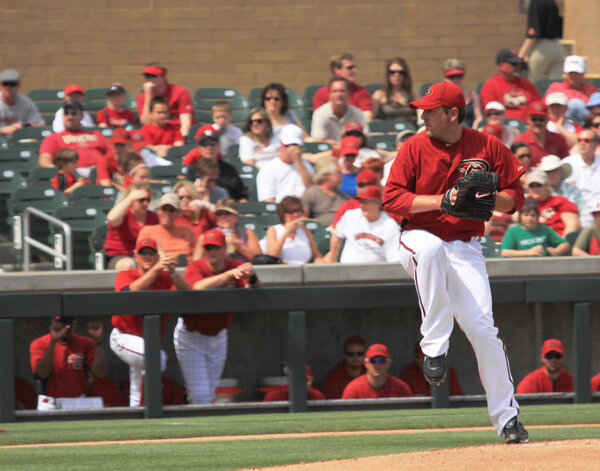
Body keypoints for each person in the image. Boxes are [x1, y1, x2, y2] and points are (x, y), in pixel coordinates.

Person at [383, 81, 529, 443]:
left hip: (466, 245)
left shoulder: (487, 145)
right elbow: (392, 199)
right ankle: (434, 347)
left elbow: (517, 195)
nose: (423, 115)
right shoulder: (414, 146)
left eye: (431, 110)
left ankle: (508, 420)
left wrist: (493, 198)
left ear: (452, 113)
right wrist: (439, 201)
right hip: (419, 235)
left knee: (482, 329)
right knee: (430, 252)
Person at [176, 228, 261, 404]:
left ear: (224, 249)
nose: (212, 252)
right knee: (200, 394)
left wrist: (252, 277)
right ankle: (199, 430)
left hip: (218, 336)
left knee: (209, 391)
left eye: (216, 247)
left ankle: (205, 429)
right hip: (192, 336)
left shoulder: (234, 265)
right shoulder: (196, 266)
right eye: (208, 248)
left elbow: (254, 288)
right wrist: (229, 275)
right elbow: (197, 287)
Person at [110, 238, 188, 406]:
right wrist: (157, 269)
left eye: (151, 253)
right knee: (156, 357)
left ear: (157, 256)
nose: (147, 256)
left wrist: (173, 272)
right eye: (143, 252)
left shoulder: (165, 277)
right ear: (135, 256)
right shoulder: (125, 275)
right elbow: (127, 292)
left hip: (147, 339)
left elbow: (186, 292)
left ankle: (138, 416)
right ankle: (150, 406)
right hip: (123, 336)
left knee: (137, 387)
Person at [29, 316, 105, 408]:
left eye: (69, 322)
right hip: (50, 401)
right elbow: (42, 374)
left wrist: (97, 341)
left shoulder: (85, 343)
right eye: (61, 322)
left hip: (78, 399)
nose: (66, 326)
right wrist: (53, 341)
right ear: (52, 322)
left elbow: (99, 374)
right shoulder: (39, 343)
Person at [325, 185, 400, 264]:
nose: (362, 205)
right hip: (347, 271)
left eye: (366, 202)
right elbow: (337, 235)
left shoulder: (389, 225)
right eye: (360, 202)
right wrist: (332, 259)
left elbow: (394, 259)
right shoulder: (350, 216)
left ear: (377, 203)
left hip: (375, 273)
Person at [39, 100, 110, 171]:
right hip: (74, 174)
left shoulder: (95, 134)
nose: (70, 117)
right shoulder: (53, 138)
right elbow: (44, 160)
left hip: (101, 171)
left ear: (81, 116)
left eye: (74, 113)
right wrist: (62, 173)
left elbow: (113, 153)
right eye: (66, 113)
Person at [183, 125, 248, 201]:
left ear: (218, 146)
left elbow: (242, 196)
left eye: (212, 143)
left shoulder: (229, 169)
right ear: (199, 148)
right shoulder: (193, 169)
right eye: (205, 144)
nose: (209, 147)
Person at [104, 183, 158, 271]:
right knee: (131, 265)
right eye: (141, 200)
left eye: (148, 200)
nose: (145, 203)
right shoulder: (123, 214)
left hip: (146, 256)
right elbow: (111, 218)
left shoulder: (153, 216)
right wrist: (130, 197)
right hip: (119, 257)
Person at [480, 48, 541, 122]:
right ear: (501, 66)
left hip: (529, 127)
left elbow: (539, 106)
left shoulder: (528, 85)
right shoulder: (490, 85)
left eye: (518, 63)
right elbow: (491, 113)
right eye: (513, 64)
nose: (518, 66)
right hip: (504, 128)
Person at [257, 124, 313, 202]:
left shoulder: (305, 165)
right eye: (288, 145)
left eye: (295, 145)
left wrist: (298, 162)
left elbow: (312, 189)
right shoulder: (268, 168)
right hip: (282, 211)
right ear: (281, 144)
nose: (291, 149)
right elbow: (267, 199)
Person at [136, 63, 194, 140]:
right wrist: (148, 95)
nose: (149, 79)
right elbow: (146, 123)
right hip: (155, 136)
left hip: (177, 134)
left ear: (164, 77)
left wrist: (183, 140)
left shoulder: (180, 92)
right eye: (147, 76)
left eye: (154, 76)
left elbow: (186, 123)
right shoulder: (143, 96)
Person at [137, 193, 196, 265]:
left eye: (171, 210)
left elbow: (196, 255)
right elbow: (139, 257)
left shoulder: (187, 230)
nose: (167, 213)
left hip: (187, 268)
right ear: (158, 210)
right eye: (164, 209)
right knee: (154, 245)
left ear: (178, 213)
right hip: (159, 269)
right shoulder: (147, 231)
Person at [312, 52, 373, 121]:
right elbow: (319, 119)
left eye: (354, 67)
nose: (355, 71)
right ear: (337, 70)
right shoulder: (321, 93)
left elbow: (366, 118)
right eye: (350, 68)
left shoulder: (362, 92)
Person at [500, 198, 570, 257]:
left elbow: (565, 244)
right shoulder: (513, 231)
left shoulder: (545, 229)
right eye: (526, 215)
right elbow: (505, 252)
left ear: (537, 217)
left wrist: (556, 251)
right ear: (520, 216)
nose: (529, 218)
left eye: (533, 215)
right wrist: (529, 252)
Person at [341, 344, 413, 399]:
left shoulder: (401, 387)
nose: (377, 365)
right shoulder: (353, 388)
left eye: (382, 361)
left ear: (389, 363)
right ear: (366, 363)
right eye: (373, 361)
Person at [265, 196, 323, 264]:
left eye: (299, 211)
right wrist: (286, 233)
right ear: (283, 213)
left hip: (304, 269)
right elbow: (272, 256)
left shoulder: (304, 229)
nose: (296, 214)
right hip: (283, 270)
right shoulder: (274, 229)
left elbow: (316, 255)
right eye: (291, 211)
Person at [517, 0, 565, 82]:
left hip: (542, 48)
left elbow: (533, 34)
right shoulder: (556, 2)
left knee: (532, 85)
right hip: (558, 47)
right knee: (555, 88)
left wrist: (520, 55)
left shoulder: (536, 2)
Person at [311, 77, 368, 145]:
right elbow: (317, 140)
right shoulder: (320, 113)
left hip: (353, 151)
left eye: (342, 91)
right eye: (335, 91)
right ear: (329, 94)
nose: (339, 95)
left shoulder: (357, 113)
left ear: (349, 93)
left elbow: (365, 137)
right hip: (328, 152)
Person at [562, 130, 600, 228]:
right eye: (579, 140)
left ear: (596, 144)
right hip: (582, 212)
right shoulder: (568, 163)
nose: (582, 143)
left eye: (587, 140)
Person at [513, 100, 569, 166]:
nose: (538, 122)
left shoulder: (559, 139)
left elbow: (565, 163)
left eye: (541, 119)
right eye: (534, 119)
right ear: (528, 120)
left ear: (547, 120)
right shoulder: (520, 141)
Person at [525, 170, 580, 238]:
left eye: (539, 185)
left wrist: (561, 245)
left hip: (559, 241)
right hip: (532, 243)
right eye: (531, 186)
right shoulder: (525, 203)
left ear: (547, 185)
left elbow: (573, 225)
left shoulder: (560, 201)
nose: (535, 188)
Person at [544, 55, 597, 123]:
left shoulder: (590, 88)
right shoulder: (555, 87)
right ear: (565, 72)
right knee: (574, 103)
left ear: (583, 73)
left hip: (586, 126)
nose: (574, 76)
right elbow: (546, 109)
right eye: (571, 73)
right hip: (561, 123)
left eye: (577, 73)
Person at [301, 156, 351, 228]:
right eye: (338, 172)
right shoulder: (311, 194)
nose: (342, 175)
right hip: (319, 235)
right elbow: (303, 220)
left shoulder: (346, 197)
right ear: (326, 174)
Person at [399, 342, 463, 397]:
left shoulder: (447, 371)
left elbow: (457, 397)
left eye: (432, 359)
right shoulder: (408, 373)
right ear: (416, 359)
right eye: (423, 359)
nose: (428, 362)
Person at [371, 57, 417, 124]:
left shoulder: (413, 93)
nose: (396, 75)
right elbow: (371, 120)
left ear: (405, 75)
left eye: (401, 72)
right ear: (387, 74)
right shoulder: (379, 95)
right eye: (392, 72)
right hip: (388, 132)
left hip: (410, 132)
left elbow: (421, 116)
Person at [0, 68, 45, 134]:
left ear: (18, 85)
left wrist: (29, 127)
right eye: (5, 84)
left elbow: (40, 124)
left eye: (12, 84)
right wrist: (4, 130)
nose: (8, 87)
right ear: (0, 85)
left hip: (20, 139)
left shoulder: (26, 103)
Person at [442, 58, 483, 128]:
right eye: (451, 77)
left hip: (469, 132)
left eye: (459, 76)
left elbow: (479, 118)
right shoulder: (439, 96)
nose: (456, 79)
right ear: (445, 77)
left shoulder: (472, 96)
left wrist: (473, 131)